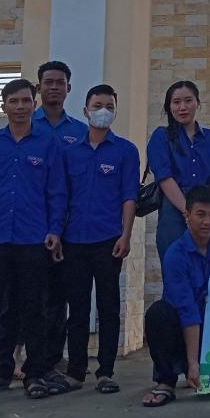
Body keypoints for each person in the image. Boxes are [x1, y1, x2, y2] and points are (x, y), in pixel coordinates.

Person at [0, 78, 71, 402]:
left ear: (34, 105)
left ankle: (35, 373)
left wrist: (55, 230)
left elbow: (57, 191)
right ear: (4, 106)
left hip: (33, 239)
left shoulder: (49, 145)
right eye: (14, 101)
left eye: (26, 101)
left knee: (34, 308)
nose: (20, 107)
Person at [61, 84, 140, 393]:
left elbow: (129, 196)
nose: (103, 111)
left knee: (108, 307)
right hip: (74, 240)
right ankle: (75, 371)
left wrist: (126, 235)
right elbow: (62, 196)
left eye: (109, 106)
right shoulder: (70, 152)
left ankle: (105, 371)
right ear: (85, 110)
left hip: (109, 240)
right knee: (78, 308)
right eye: (97, 106)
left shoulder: (126, 151)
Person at [29, 61, 88, 379]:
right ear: (38, 87)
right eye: (48, 82)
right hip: (28, 225)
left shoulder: (79, 132)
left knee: (57, 297)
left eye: (60, 82)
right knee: (24, 296)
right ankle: (19, 360)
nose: (54, 87)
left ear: (69, 88)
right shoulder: (26, 125)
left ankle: (52, 359)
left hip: (67, 227)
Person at [141, 185, 210, 407]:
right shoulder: (175, 255)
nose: (207, 222)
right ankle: (166, 381)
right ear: (187, 215)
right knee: (158, 314)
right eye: (200, 214)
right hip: (183, 330)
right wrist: (193, 362)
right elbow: (187, 310)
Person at [148, 80, 210, 264]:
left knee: (207, 269)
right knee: (175, 267)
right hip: (174, 211)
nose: (182, 107)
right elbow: (165, 178)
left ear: (198, 103)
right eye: (176, 102)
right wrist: (188, 212)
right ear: (169, 106)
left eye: (188, 101)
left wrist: (204, 211)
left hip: (206, 212)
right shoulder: (161, 136)